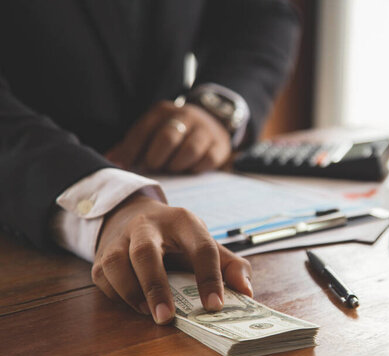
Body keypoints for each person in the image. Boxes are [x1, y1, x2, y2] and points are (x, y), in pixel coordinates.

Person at [0, 1, 300, 325]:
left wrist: (215, 108)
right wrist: (109, 200)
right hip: (26, 222)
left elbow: (261, 13)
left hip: (182, 175)